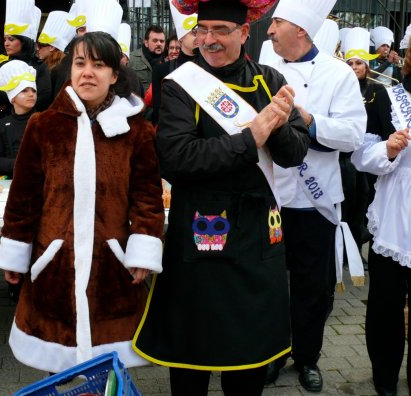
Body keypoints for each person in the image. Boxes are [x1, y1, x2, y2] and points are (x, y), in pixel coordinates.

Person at [132, 1, 309, 395]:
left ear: (244, 33)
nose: (208, 39)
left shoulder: (269, 79)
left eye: (220, 30)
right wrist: (252, 137)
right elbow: (177, 160)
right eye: (202, 29)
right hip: (200, 235)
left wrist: (276, 127)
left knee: (248, 359)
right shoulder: (180, 84)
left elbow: (295, 153)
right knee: (191, 357)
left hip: (257, 238)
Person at [0, 30, 164, 373]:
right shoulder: (43, 127)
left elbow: (147, 197)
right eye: (80, 63)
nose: (88, 72)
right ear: (70, 69)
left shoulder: (137, 131)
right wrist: (15, 252)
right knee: (55, 369)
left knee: (111, 372)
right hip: (55, 265)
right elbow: (23, 198)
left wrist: (143, 249)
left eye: (99, 65)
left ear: (114, 75)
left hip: (112, 268)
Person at [262, 0, 367, 392]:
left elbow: (354, 135)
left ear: (301, 30)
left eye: (277, 23)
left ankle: (306, 357)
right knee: (270, 283)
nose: (269, 31)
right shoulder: (263, 71)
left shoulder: (338, 75)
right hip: (270, 199)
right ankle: (270, 354)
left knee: (311, 288)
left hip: (315, 200)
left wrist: (310, 121)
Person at [351, 37, 411, 396]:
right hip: (394, 216)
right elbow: (360, 155)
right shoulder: (388, 97)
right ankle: (385, 377)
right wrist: (386, 150)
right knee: (387, 305)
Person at [341, 28, 394, 251]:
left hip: (370, 159)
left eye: (359, 63)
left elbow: (386, 128)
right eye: (350, 63)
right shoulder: (340, 90)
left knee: (365, 203)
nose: (354, 68)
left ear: (366, 65)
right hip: (344, 157)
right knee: (345, 204)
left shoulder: (377, 91)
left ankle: (358, 247)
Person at [0, 0, 51, 120]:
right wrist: (25, 99)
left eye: (11, 39)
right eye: (5, 39)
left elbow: (45, 96)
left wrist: (10, 99)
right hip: (1, 120)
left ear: (23, 41)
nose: (6, 43)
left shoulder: (39, 65)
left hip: (31, 121)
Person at [151, 0, 198, 125]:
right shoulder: (162, 70)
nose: (199, 37)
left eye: (201, 32)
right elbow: (158, 109)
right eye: (194, 33)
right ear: (181, 38)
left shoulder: (210, 66)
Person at [0, 60, 37, 178]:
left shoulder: (45, 121)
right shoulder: (1, 125)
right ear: (12, 97)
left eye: (33, 90)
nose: (31, 94)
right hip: (11, 182)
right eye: (24, 90)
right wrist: (21, 164)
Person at [129, 25, 166, 95]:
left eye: (162, 41)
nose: (159, 44)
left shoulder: (169, 60)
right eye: (155, 41)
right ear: (146, 43)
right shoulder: (131, 59)